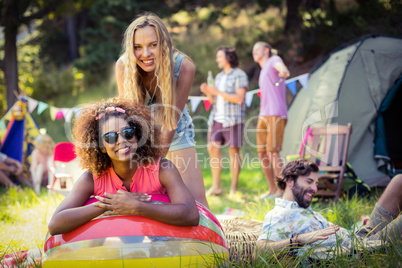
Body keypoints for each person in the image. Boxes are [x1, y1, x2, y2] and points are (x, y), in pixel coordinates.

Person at [48, 98, 199, 235]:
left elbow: (191, 215)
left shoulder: (162, 168)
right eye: (111, 137)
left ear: (138, 136)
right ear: (101, 146)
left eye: (127, 132)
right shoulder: (92, 178)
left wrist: (138, 207)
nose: (121, 140)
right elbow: (55, 225)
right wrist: (109, 205)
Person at [115, 12, 208, 208]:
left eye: (153, 45)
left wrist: (153, 168)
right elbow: (127, 118)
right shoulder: (123, 66)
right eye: (137, 47)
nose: (145, 54)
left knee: (197, 204)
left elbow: (170, 123)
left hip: (175, 132)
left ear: (163, 44)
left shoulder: (184, 67)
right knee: (144, 202)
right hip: (138, 137)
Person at [256, 159, 402, 257]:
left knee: (398, 181)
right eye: (309, 181)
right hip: (364, 249)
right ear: (289, 180)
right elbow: (260, 249)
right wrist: (299, 240)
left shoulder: (301, 209)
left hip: (360, 236)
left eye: (316, 183)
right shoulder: (279, 214)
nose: (314, 189)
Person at [200, 46, 248, 197]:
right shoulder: (219, 76)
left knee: (234, 152)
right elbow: (213, 100)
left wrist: (217, 92)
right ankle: (217, 187)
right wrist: (208, 92)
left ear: (229, 58)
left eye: (219, 56)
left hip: (233, 119)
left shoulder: (239, 75)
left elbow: (239, 98)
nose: (217, 60)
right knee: (212, 149)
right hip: (216, 118)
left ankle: (234, 189)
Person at [252, 41, 290, 199]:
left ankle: (282, 190)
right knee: (262, 153)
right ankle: (271, 189)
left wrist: (283, 72)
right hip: (264, 114)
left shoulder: (274, 60)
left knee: (272, 152)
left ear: (266, 50)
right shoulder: (263, 70)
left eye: (257, 49)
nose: (254, 52)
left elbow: (282, 68)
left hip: (276, 113)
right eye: (252, 50)